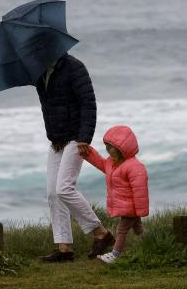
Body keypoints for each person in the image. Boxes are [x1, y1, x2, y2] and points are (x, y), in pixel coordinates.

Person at [36, 53, 114, 262]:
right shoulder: (39, 71)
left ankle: (101, 232)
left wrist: (84, 138)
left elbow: (88, 103)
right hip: (56, 141)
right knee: (53, 193)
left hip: (75, 138)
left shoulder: (74, 67)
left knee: (64, 188)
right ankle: (64, 248)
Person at [79, 125, 149, 264]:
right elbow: (100, 163)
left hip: (131, 209)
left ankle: (115, 255)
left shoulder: (134, 166)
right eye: (106, 147)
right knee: (138, 229)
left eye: (111, 147)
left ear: (122, 149)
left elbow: (140, 190)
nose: (108, 150)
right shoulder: (112, 163)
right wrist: (88, 153)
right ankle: (152, 245)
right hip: (127, 208)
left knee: (121, 230)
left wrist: (140, 211)